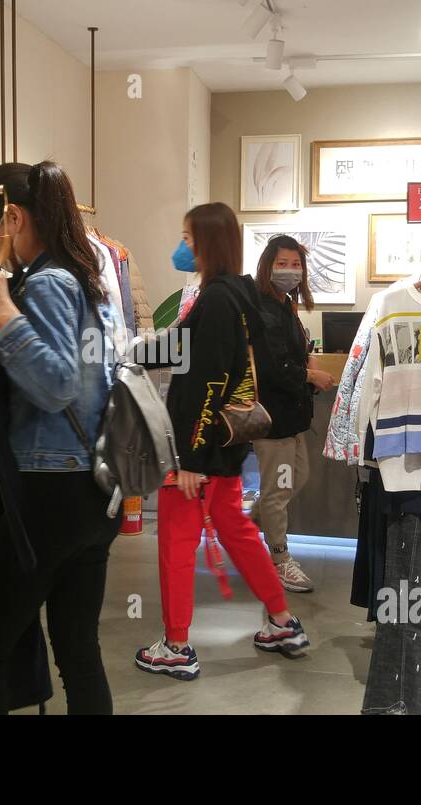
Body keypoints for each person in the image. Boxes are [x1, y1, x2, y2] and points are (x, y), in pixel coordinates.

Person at [0, 161, 123, 714]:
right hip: (91, 492)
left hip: (48, 493)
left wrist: (0, 308)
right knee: (77, 650)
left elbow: (57, 382)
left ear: (12, 216)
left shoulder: (47, 282)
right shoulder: (87, 278)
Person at [135, 203, 310, 681]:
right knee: (236, 530)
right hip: (228, 444)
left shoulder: (215, 300)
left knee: (176, 540)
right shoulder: (239, 296)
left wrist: (189, 459)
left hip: (198, 448)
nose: (182, 246)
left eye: (188, 238)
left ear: (207, 242)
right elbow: (186, 350)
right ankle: (281, 621)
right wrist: (124, 349)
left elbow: (205, 382)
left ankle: (175, 644)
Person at [251, 236, 335, 592]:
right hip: (273, 418)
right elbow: (273, 367)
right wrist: (311, 375)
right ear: (268, 266)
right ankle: (280, 559)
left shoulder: (286, 306)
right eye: (282, 264)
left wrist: (309, 361)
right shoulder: (263, 308)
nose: (290, 271)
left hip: (293, 416)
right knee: (278, 489)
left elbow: (292, 353)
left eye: (295, 264)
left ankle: (249, 524)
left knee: (294, 479)